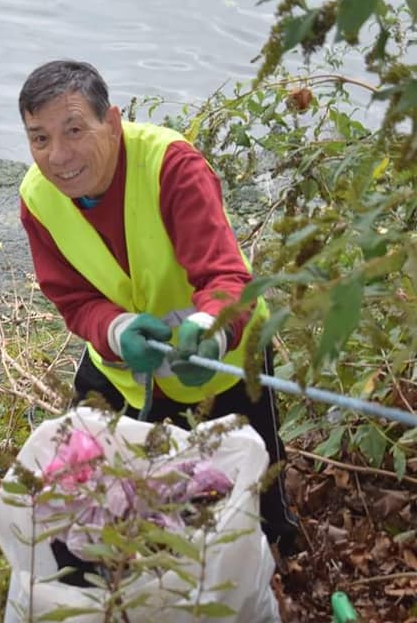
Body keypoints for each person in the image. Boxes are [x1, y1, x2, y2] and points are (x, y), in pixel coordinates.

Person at [16, 60, 299, 553]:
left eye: (74, 130)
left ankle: (276, 571)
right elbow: (73, 298)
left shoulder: (171, 164)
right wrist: (116, 328)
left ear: (113, 121)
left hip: (218, 360)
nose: (57, 156)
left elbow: (225, 276)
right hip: (123, 366)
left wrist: (209, 327)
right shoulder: (37, 199)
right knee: (89, 499)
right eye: (39, 139)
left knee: (258, 501)